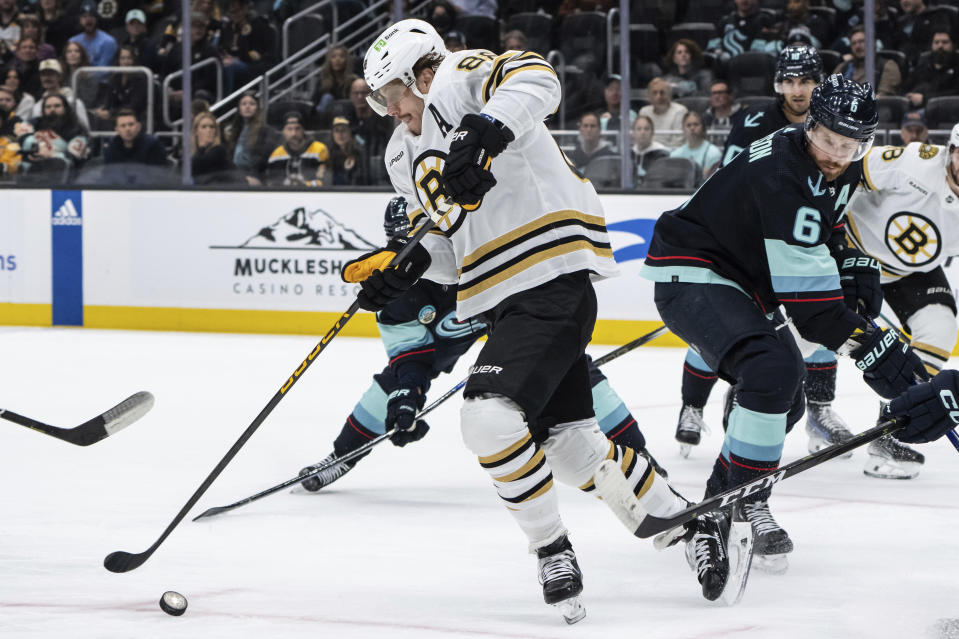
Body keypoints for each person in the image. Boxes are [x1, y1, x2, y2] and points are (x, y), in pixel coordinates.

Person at [343, 18, 692, 620]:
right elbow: (450, 255)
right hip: (500, 297)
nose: (392, 114)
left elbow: (538, 77)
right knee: (571, 444)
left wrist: (482, 133)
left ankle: (550, 548)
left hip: (550, 272)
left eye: (395, 98)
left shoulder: (456, 79)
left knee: (487, 421)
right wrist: (401, 275)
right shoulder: (402, 153)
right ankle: (687, 521)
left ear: (421, 75)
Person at [641, 74, 955, 599]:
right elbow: (813, 314)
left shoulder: (834, 165)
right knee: (774, 369)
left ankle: (723, 500)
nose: (837, 153)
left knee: (782, 400)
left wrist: (852, 259)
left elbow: (830, 220)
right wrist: (875, 348)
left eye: (850, 143)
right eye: (829, 138)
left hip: (742, 284)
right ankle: (742, 498)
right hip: (692, 271)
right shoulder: (784, 173)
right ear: (810, 123)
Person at [298, 197, 667, 492]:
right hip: (449, 336)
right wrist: (408, 393)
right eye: (401, 244)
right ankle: (341, 456)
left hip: (503, 315)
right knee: (393, 385)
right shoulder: (394, 288)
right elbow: (409, 353)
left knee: (572, 369)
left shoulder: (476, 254)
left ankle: (637, 452)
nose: (409, 253)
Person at [687, 46, 865, 488]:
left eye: (805, 80)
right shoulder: (753, 122)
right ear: (777, 84)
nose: (797, 89)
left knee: (826, 307)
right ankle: (695, 402)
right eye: (789, 80)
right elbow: (727, 179)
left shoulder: (841, 133)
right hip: (748, 241)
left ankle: (819, 408)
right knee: (724, 328)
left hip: (797, 237)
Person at [837, 124, 959, 478]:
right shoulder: (914, 162)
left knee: (939, 328)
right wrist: (829, 245)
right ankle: (753, 388)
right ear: (950, 150)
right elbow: (848, 171)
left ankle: (890, 432)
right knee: (813, 335)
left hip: (909, 270)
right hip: (852, 249)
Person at [18, 92, 88, 180]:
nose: (52, 109)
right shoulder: (34, 123)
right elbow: (23, 137)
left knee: (57, 163)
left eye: (57, 106)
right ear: (43, 110)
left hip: (59, 168)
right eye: (48, 107)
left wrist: (49, 155)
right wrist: (38, 149)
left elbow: (73, 156)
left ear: (65, 108)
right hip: (32, 161)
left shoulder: (76, 129)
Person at [219, 0, 276, 94]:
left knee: (231, 66)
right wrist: (224, 57)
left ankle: (226, 102)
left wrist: (238, 59)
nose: (235, 15)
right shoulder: (228, 27)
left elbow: (264, 54)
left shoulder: (259, 24)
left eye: (238, 11)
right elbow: (224, 47)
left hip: (253, 66)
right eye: (232, 12)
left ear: (245, 8)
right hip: (233, 63)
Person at [222, 91, 277, 185]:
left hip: (254, 176)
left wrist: (250, 176)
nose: (247, 106)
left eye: (252, 104)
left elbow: (263, 159)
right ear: (239, 109)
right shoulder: (234, 130)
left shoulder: (265, 131)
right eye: (244, 104)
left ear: (257, 108)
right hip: (235, 174)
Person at [264, 111, 329, 187]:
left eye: (297, 128)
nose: (293, 133)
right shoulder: (276, 155)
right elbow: (271, 184)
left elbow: (325, 181)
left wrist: (305, 185)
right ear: (283, 131)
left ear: (303, 130)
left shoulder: (320, 149)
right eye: (289, 129)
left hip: (312, 196)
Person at [833, 25, 901, 96]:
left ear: (873, 43)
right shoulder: (843, 67)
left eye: (862, 41)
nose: (858, 46)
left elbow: (882, 98)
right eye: (854, 43)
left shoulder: (887, 66)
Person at [91, 44, 148, 127]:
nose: (125, 62)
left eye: (129, 58)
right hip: (116, 116)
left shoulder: (141, 78)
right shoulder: (115, 77)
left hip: (136, 116)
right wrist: (103, 109)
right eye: (122, 58)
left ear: (134, 60)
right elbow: (109, 100)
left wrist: (111, 113)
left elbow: (135, 105)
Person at [29, 58, 91, 132]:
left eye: (51, 74)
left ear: (59, 76)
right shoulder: (38, 106)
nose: (47, 78)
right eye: (43, 75)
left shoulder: (74, 102)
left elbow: (85, 129)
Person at [903, 31, 959, 109]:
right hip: (916, 110)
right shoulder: (923, 64)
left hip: (948, 111)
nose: (940, 46)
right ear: (931, 45)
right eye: (936, 42)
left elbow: (956, 93)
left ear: (953, 45)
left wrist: (925, 99)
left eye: (945, 42)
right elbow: (906, 87)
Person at [706, 0, 779, 60]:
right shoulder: (725, 21)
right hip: (727, 68)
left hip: (755, 67)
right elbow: (712, 46)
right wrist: (719, 53)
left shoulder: (764, 20)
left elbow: (771, 47)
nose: (744, 1)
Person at [103, 108, 167, 167]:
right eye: (123, 126)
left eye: (131, 124)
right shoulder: (112, 147)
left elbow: (158, 173)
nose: (128, 129)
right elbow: (109, 174)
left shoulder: (153, 145)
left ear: (138, 127)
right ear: (117, 130)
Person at [669, 111, 722, 180]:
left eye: (696, 124)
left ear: (703, 128)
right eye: (688, 125)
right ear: (683, 129)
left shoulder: (713, 153)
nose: (692, 128)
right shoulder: (675, 155)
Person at [638, 77, 687, 148]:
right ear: (649, 96)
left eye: (662, 92)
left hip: (670, 156)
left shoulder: (680, 111)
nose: (659, 96)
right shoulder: (644, 112)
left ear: (669, 95)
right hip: (648, 154)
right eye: (654, 93)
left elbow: (678, 143)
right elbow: (640, 139)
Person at [313, 44, 358, 119]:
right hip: (327, 117)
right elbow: (315, 102)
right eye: (333, 57)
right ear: (329, 60)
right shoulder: (322, 80)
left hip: (347, 115)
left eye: (341, 56)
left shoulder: (353, 80)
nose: (337, 60)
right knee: (327, 98)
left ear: (346, 60)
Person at [68, 1, 118, 68]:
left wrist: (84, 75)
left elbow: (103, 71)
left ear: (97, 18)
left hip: (100, 78)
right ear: (80, 20)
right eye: (84, 16)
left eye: (91, 15)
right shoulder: (73, 41)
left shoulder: (108, 41)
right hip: (76, 77)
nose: (88, 20)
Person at [190, 111, 233, 184]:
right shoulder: (189, 150)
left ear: (215, 131)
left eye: (212, 127)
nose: (208, 130)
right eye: (204, 127)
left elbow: (197, 167)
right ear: (196, 131)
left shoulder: (219, 150)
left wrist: (202, 146)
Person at [328, 115, 368, 185]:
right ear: (333, 134)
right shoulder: (328, 153)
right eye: (337, 131)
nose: (340, 134)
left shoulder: (358, 153)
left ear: (350, 133)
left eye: (343, 130)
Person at [630, 114, 669, 187]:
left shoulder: (662, 154)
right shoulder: (629, 154)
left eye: (646, 129)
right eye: (639, 129)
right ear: (633, 133)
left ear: (652, 132)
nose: (642, 132)